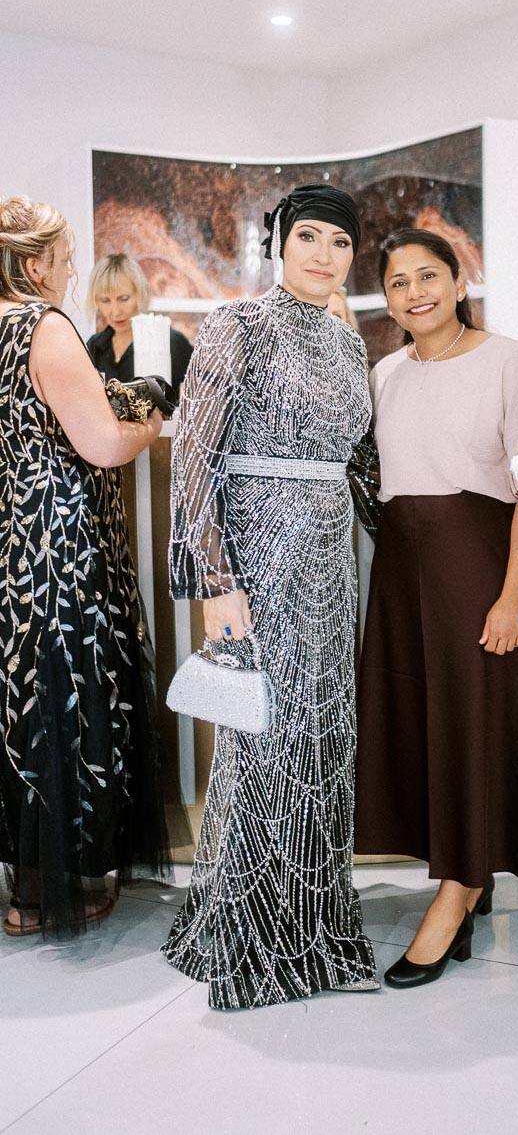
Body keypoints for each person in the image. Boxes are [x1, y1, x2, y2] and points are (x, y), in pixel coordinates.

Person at [162, 183, 380, 1010]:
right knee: (263, 738)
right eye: (309, 237)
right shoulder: (238, 324)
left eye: (340, 242)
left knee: (323, 736)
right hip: (255, 558)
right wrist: (215, 582)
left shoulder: (349, 344)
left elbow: (361, 462)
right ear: (279, 243)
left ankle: (315, 927)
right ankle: (250, 935)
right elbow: (193, 454)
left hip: (329, 560)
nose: (325, 255)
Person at [354, 229, 518, 988]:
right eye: (398, 282)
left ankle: (458, 891)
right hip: (401, 568)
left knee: (472, 722)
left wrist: (513, 594)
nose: (415, 292)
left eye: (428, 276)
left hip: (476, 563)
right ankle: (463, 873)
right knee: (423, 724)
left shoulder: (508, 360)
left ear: (457, 281)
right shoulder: (384, 373)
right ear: (387, 301)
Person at [0, 195, 170, 937]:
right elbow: (100, 443)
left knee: (20, 703)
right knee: (67, 699)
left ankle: (26, 883)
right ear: (34, 264)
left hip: (8, 538)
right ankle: (50, 891)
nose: (71, 275)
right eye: (66, 261)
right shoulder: (45, 328)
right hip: (58, 544)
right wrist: (148, 424)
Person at [86, 252, 193, 396]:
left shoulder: (170, 342)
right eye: (105, 300)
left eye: (124, 298)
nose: (116, 311)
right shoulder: (95, 347)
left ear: (140, 294)